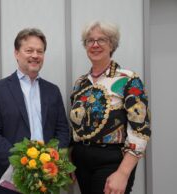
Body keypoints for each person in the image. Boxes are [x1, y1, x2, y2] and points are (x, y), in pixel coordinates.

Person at [0, 28, 70, 194]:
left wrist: (52, 159)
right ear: (16, 53)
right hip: (9, 180)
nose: (35, 55)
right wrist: (21, 163)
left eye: (40, 51)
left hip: (47, 181)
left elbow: (63, 130)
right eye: (29, 50)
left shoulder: (53, 91)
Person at [69, 21, 151, 194]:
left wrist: (123, 173)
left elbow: (140, 130)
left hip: (112, 161)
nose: (95, 45)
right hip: (81, 160)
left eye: (102, 40)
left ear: (112, 44)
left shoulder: (128, 79)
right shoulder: (80, 83)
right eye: (90, 40)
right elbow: (76, 127)